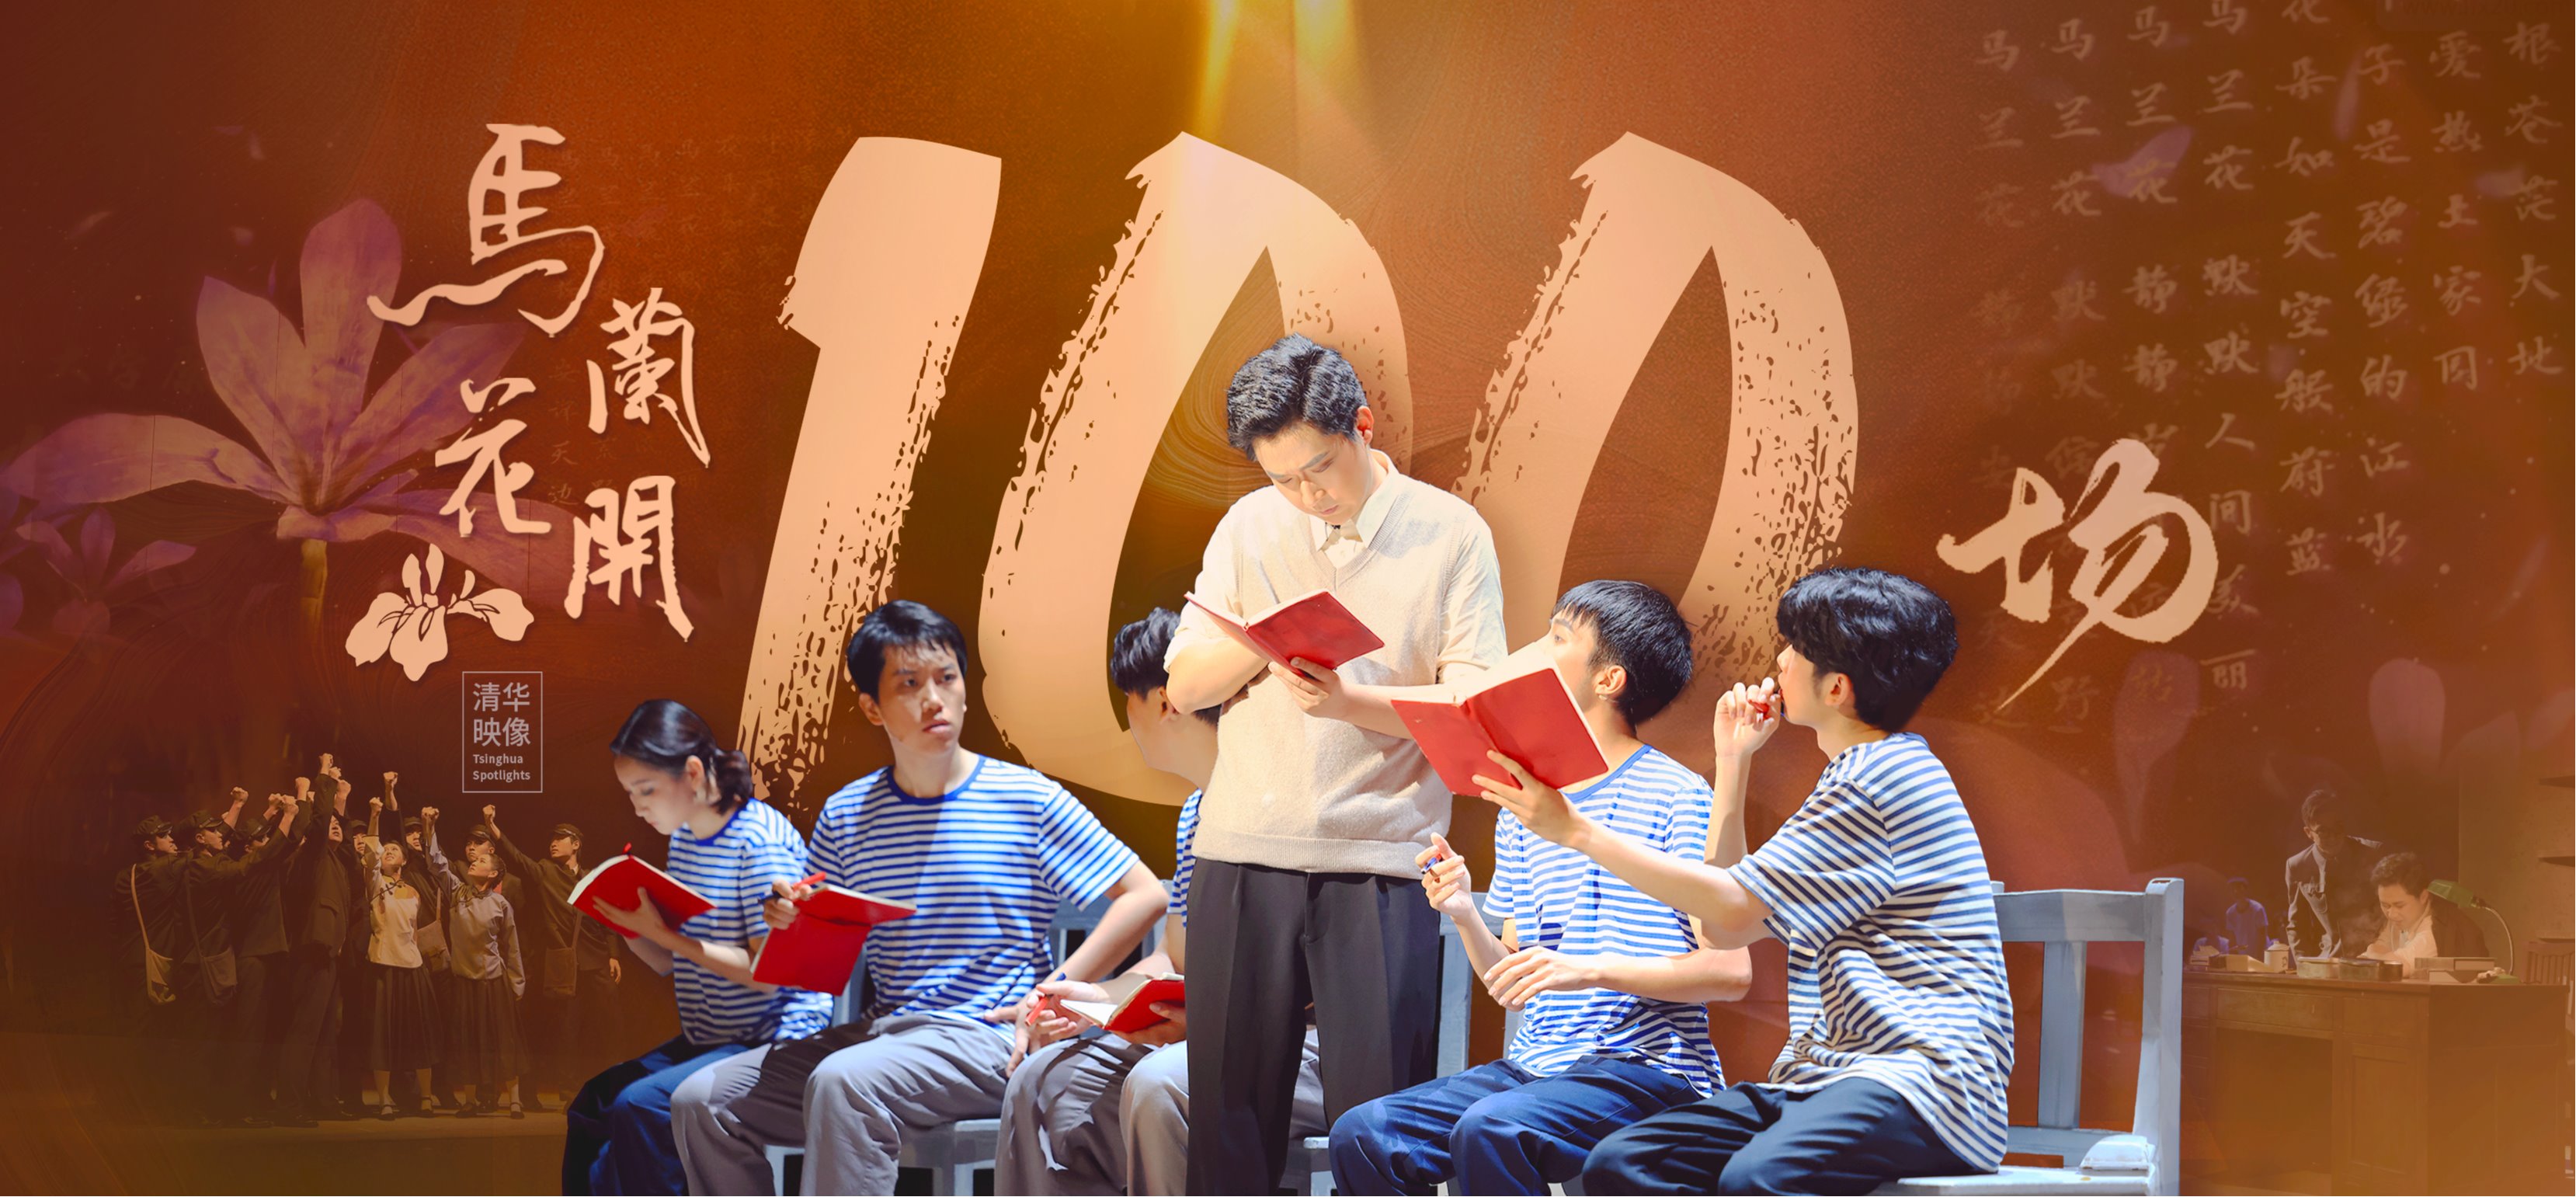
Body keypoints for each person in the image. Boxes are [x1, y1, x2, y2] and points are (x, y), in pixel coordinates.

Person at [1483, 566, 2013, 1195]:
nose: (1780, 661)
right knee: (1626, 1160)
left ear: (1835, 687)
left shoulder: (1880, 780)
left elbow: (1730, 908)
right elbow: (1722, 926)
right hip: (1826, 1077)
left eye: (1794, 649)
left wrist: (1575, 830)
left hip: (1927, 1083)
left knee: (1755, 1177)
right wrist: (1732, 763)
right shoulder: (1854, 777)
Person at [1163, 333, 1510, 1193]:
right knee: (1226, 1132)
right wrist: (1264, 634)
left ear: (1361, 424)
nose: (1304, 495)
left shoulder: (1451, 533)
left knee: (1379, 1133)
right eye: (1281, 477)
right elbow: (1184, 684)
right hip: (1240, 850)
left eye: (1318, 468)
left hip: (1382, 859)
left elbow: (1473, 709)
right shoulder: (1250, 525)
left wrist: (1350, 701)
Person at [671, 601, 1164, 1196]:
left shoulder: (1024, 796)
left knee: (844, 1082)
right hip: (885, 1033)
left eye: (946, 677)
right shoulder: (847, 813)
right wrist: (788, 918)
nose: (934, 698)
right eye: (908, 684)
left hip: (985, 1034)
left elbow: (1143, 894)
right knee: (701, 1099)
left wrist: (1048, 992)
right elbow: (817, 952)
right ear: (871, 707)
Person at [1330, 582, 1754, 1195]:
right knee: (1365, 1132)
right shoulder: (1522, 806)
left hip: (1648, 1068)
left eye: (1557, 637)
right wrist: (1462, 911)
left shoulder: (1677, 794)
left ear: (1608, 679)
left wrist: (1588, 970)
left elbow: (1727, 971)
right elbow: (1514, 982)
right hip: (1537, 1065)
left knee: (1492, 1127)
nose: (1533, 649)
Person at [994, 608, 1330, 1197]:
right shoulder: (1195, 812)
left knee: (1160, 1085)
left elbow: (1315, 977)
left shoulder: (1290, 802)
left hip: (1298, 1045)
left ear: (1164, 702)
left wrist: (1214, 1021)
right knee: (1041, 1081)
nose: (1128, 719)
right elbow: (1175, 959)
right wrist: (1097, 1001)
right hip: (1204, 1036)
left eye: (1129, 699)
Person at [561, 700, 833, 1195]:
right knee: (594, 1102)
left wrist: (666, 935)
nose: (638, 807)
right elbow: (675, 961)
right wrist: (628, 926)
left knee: (641, 1105)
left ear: (691, 772)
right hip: (712, 1038)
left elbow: (767, 974)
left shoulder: (759, 842)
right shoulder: (685, 839)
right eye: (630, 793)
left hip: (776, 1040)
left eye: (646, 790)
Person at [486, 806, 621, 1108]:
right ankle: (569, 1090)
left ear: (576, 844)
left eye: (561, 839)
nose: (553, 843)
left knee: (608, 1025)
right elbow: (518, 858)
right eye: (552, 839)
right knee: (567, 1028)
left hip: (597, 959)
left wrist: (613, 955)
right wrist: (495, 829)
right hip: (565, 962)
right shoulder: (545, 870)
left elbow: (607, 917)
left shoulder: (591, 877)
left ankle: (609, 1084)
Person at [426, 806, 529, 1117]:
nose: (474, 861)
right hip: (464, 981)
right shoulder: (458, 892)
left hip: (493, 982)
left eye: (482, 861)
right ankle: (470, 1101)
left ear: (494, 873)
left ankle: (514, 1100)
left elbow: (512, 947)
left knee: (504, 1040)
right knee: (466, 1042)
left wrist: (517, 983)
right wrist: (430, 828)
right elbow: (437, 863)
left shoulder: (501, 904)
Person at [276, 781, 365, 1127]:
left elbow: (353, 859)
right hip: (313, 952)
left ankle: (323, 1101)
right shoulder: (311, 856)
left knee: (327, 1034)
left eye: (339, 825)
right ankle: (289, 1105)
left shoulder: (337, 862)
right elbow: (318, 823)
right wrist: (324, 777)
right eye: (331, 824)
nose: (336, 827)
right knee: (305, 1032)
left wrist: (342, 803)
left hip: (332, 956)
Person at [357, 794, 442, 1118]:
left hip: (413, 968)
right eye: (386, 850)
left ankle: (426, 1097)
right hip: (384, 966)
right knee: (383, 1036)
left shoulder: (414, 891)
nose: (389, 852)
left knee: (419, 1034)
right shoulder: (375, 882)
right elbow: (370, 854)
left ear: (405, 861)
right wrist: (375, 815)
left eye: (395, 850)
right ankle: (384, 1099)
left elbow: (415, 933)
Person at [2283, 790, 2387, 960]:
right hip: (2328, 962)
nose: (2332, 837)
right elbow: (2297, 925)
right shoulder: (2298, 866)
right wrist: (2303, 965)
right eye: (2323, 832)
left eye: (2338, 828)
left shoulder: (2372, 854)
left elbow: (2391, 913)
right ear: (2308, 833)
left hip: (2373, 958)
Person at [2362, 852, 2489, 978]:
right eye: (2385, 905)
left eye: (2399, 906)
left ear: (2423, 897)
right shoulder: (2397, 918)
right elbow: (2375, 955)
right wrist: (2374, 955)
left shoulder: (2437, 928)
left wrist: (2371, 950)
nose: (2391, 914)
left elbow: (2395, 968)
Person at [2223, 877, 2270, 957]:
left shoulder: (2257, 909)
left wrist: (2259, 956)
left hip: (2260, 955)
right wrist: (2233, 958)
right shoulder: (2230, 913)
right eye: (2233, 889)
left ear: (2245, 890)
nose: (2236, 892)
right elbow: (2232, 939)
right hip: (2243, 956)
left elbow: (2263, 936)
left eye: (2239, 888)